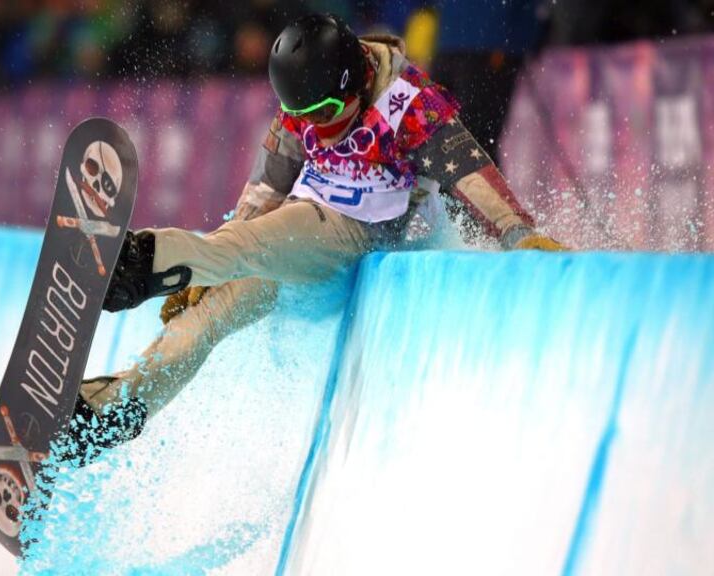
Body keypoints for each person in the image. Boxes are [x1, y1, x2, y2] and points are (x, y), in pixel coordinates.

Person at [59, 13, 565, 467]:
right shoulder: (306, 98)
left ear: (355, 84)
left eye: (324, 113)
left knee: (243, 245)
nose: (314, 128)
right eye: (303, 115)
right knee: (203, 320)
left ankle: (134, 262)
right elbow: (263, 191)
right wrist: (205, 278)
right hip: (304, 235)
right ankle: (112, 409)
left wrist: (521, 234)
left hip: (359, 232)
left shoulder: (408, 104)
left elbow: (470, 173)